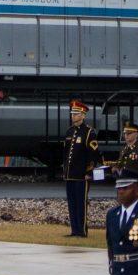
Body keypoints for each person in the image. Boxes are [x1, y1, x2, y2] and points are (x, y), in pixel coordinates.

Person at [61, 99, 100, 237]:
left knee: (81, 203)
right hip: (70, 174)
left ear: (83, 115)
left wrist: (89, 171)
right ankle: (74, 230)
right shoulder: (69, 131)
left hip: (82, 175)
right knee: (72, 204)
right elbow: (66, 154)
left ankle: (82, 231)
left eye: (76, 113)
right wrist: (65, 171)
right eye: (72, 113)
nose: (73, 116)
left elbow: (93, 154)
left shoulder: (89, 132)